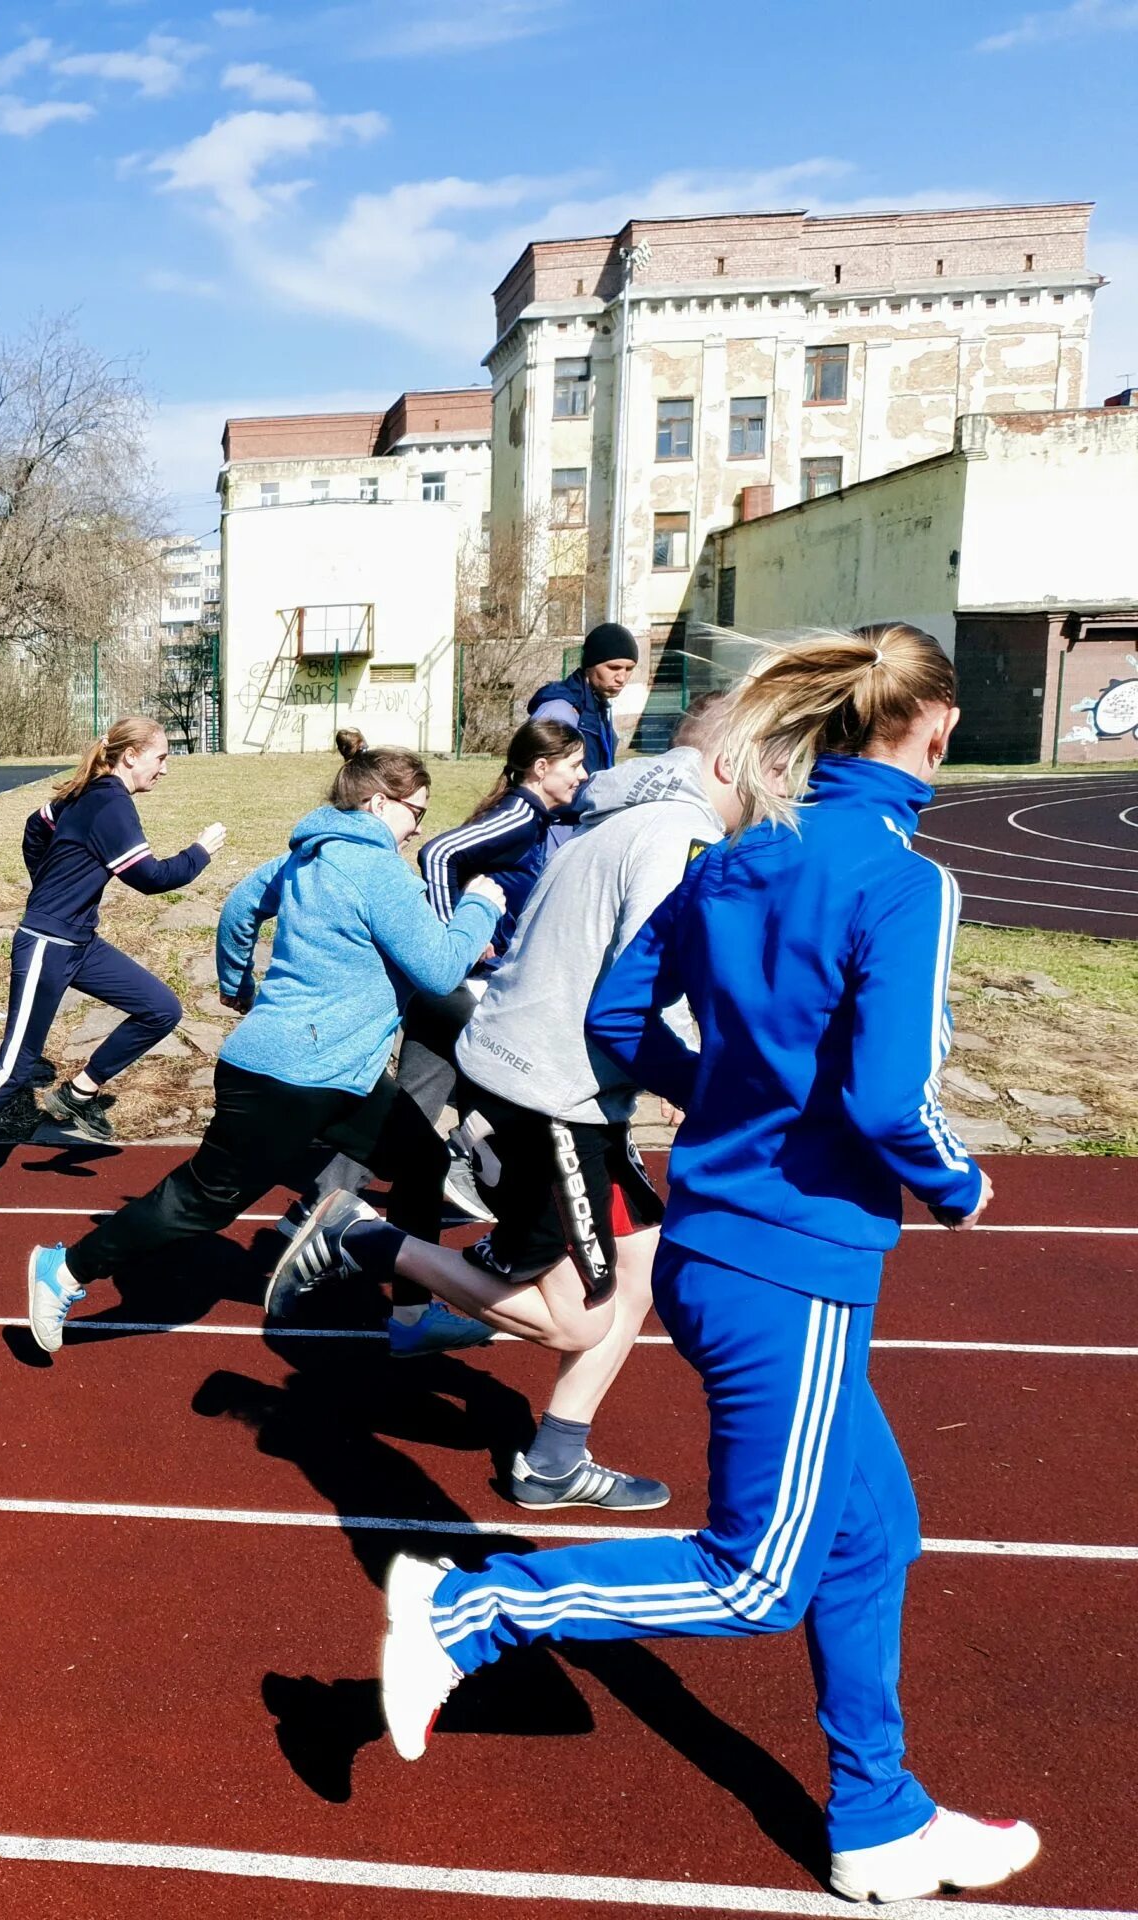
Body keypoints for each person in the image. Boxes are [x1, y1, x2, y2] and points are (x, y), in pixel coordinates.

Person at [378, 627, 1041, 1906]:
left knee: (871, 1538)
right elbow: (891, 1097)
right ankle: (470, 1613)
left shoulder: (741, 856)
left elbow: (620, 1018)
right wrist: (956, 1183)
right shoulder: (904, 881)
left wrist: (732, 1100)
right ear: (936, 727)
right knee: (757, 1575)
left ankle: (880, 1818)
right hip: (789, 1263)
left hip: (719, 1244)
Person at [275, 700, 743, 1512]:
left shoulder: (611, 814)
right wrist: (698, 1084)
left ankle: (556, 1457)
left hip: (554, 1075)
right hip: (554, 1092)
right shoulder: (672, 832)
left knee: (637, 1267)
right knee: (577, 1321)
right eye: (782, 771)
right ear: (735, 764)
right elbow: (642, 989)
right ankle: (363, 1236)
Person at [20, 744, 494, 1352]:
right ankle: (63, 1270)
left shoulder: (304, 857)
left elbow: (242, 906)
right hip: (289, 1076)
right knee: (202, 1202)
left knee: (423, 1163)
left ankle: (410, 1318)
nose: (418, 828)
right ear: (379, 803)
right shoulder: (378, 871)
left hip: (340, 1074)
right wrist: (481, 906)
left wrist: (236, 985)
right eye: (415, 813)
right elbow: (438, 969)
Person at [0, 717, 224, 1208]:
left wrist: (52, 885)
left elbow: (35, 826)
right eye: (161, 757)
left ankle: (78, 1095)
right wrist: (200, 851)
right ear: (130, 756)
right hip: (46, 944)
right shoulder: (109, 802)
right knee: (16, 1066)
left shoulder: (87, 793)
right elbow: (150, 878)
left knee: (161, 1009)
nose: (165, 769)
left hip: (79, 943)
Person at [383, 716, 586, 1219]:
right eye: (575, 765)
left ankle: (316, 1207)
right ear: (541, 768)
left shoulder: (533, 816)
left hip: (462, 983)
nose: (582, 775)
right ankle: (459, 1151)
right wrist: (458, 936)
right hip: (467, 982)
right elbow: (439, 851)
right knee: (521, 1069)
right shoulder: (520, 813)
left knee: (411, 1102)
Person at [530, 621, 640, 780]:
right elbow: (538, 778)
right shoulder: (560, 710)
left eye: (629, 669)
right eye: (613, 668)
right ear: (589, 666)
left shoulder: (598, 705)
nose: (621, 678)